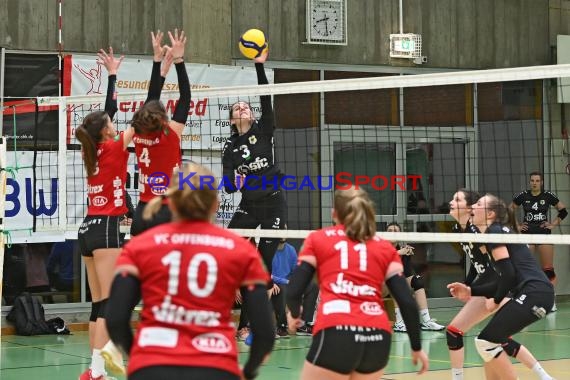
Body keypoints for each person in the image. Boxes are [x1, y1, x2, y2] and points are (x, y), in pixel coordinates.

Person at [105, 163, 275, 380]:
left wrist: (138, 359)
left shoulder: (139, 247)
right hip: (216, 367)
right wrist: (247, 372)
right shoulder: (241, 250)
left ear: (171, 203)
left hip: (152, 365)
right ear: (215, 204)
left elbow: (115, 319)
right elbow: (265, 332)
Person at [286, 187, 428, 380]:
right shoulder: (384, 247)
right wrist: (416, 346)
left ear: (334, 213)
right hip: (377, 336)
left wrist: (294, 315)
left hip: (336, 331)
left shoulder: (317, 239)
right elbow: (407, 303)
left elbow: (294, 290)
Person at [448, 193, 555, 380]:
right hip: (535, 294)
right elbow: (503, 278)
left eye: (479, 204)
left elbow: (508, 274)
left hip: (534, 293)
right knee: (489, 342)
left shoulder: (494, 231)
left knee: (485, 342)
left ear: (490, 214)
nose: (473, 206)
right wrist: (471, 290)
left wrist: (496, 299)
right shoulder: (494, 233)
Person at [75, 47, 133, 380]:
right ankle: (100, 367)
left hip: (87, 231)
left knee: (99, 305)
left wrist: (112, 75)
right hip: (107, 229)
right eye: (112, 123)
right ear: (107, 131)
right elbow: (144, 116)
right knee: (110, 304)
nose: (115, 122)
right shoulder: (113, 146)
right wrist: (161, 70)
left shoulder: (92, 148)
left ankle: (95, 373)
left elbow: (105, 114)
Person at [221, 48, 286, 274]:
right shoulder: (230, 147)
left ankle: (265, 299)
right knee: (227, 248)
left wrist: (259, 65)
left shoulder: (264, 129)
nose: (244, 108)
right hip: (249, 205)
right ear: (232, 120)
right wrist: (235, 183)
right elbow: (228, 186)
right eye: (238, 108)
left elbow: (265, 97)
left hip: (274, 204)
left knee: (264, 263)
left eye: (246, 106)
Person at [130, 29, 190, 236]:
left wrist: (158, 63)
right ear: (164, 117)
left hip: (142, 212)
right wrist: (179, 60)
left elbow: (152, 97)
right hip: (167, 211)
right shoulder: (171, 134)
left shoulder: (137, 133)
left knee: (140, 267)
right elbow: (186, 97)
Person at [510, 171, 567, 311]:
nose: (534, 183)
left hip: (544, 235)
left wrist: (553, 225)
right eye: (532, 181)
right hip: (527, 235)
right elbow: (509, 209)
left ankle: (551, 301)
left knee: (548, 269)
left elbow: (563, 211)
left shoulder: (548, 196)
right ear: (530, 182)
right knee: (524, 269)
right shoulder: (523, 195)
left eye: (537, 181)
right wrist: (516, 225)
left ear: (541, 182)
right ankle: (524, 299)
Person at [385, 222, 444, 332]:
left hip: (396, 284)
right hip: (380, 286)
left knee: (417, 280)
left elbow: (407, 274)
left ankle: (427, 321)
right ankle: (399, 322)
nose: (393, 233)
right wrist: (398, 253)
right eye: (390, 231)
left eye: (396, 231)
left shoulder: (403, 250)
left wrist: (405, 256)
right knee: (394, 280)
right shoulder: (381, 247)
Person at [270, 238, 319, 338]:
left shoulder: (291, 249)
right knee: (283, 288)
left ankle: (304, 323)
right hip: (275, 284)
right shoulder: (269, 250)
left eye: (285, 228)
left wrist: (300, 281)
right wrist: (283, 281)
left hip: (289, 282)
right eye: (281, 228)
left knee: (313, 285)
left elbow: (296, 270)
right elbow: (268, 273)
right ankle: (281, 326)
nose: (283, 231)